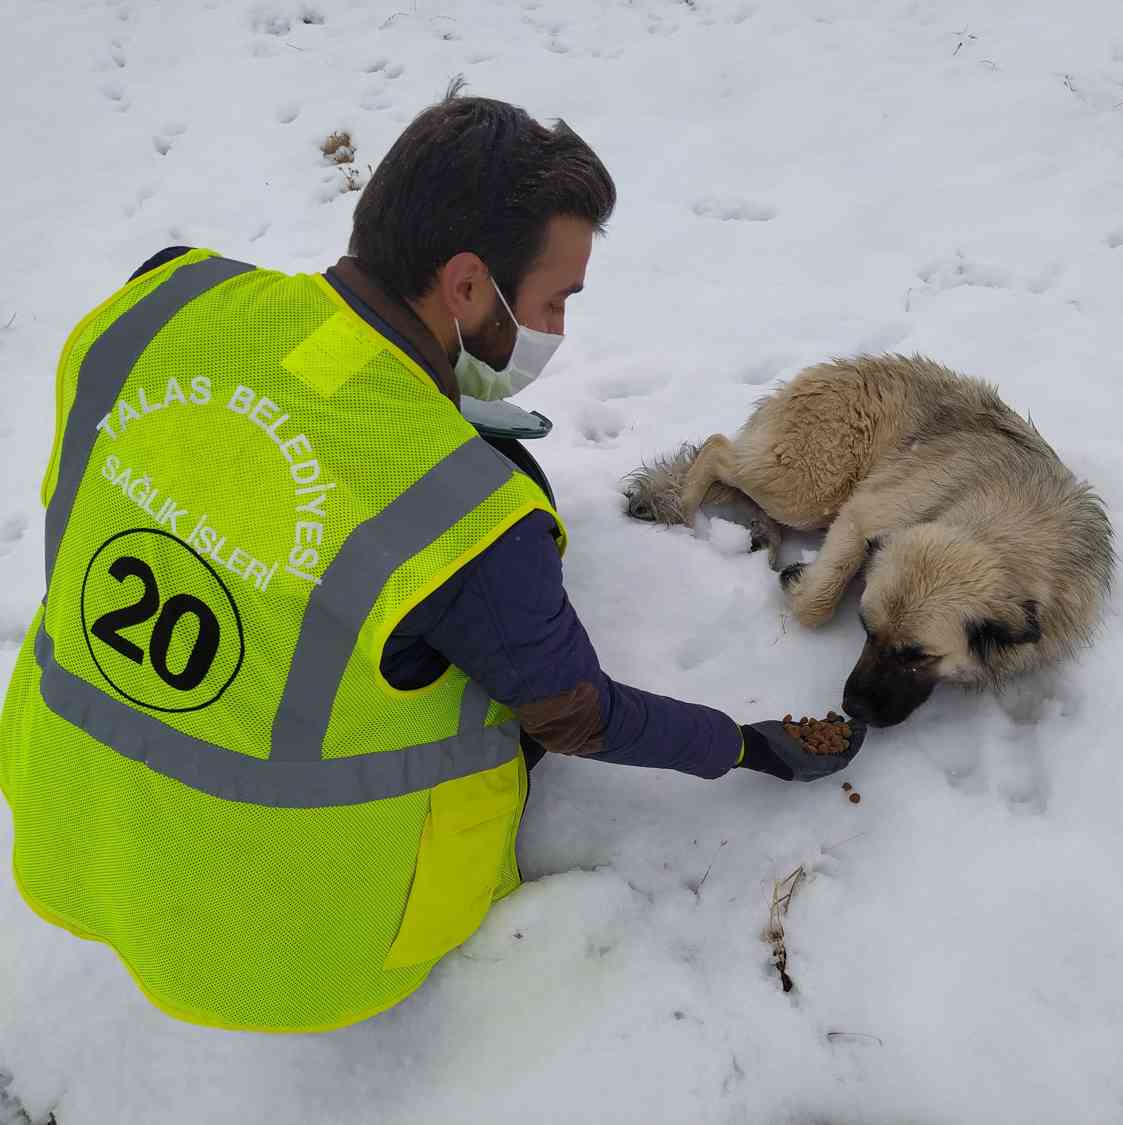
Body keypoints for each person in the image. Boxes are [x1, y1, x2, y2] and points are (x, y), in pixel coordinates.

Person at [0, 81, 863, 1034]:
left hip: (65, 817)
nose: (558, 330)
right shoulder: (465, 516)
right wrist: (742, 745)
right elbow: (579, 716)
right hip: (285, 935)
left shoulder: (165, 298)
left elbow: (294, 421)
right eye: (552, 301)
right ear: (464, 286)